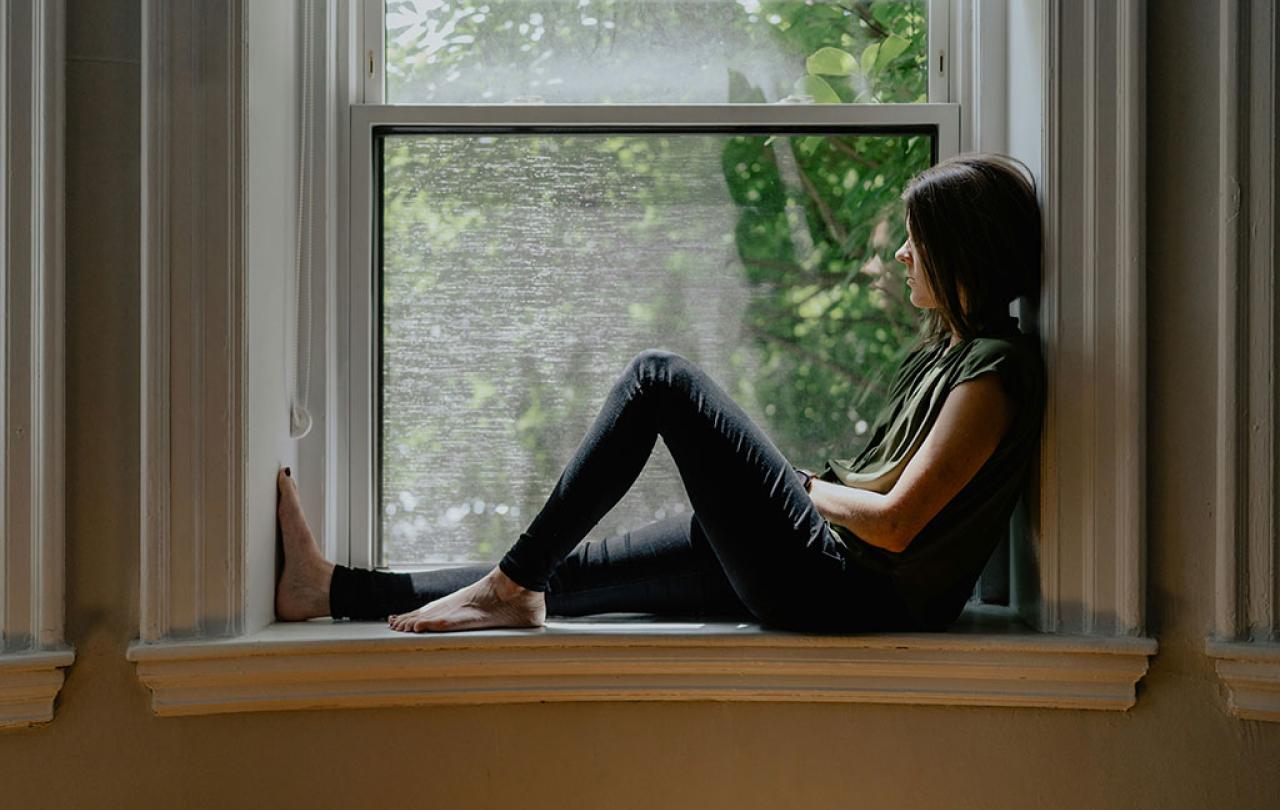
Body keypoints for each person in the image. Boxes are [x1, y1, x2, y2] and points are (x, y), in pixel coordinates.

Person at [275, 152, 1046, 635]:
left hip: (843, 590)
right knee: (558, 575)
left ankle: (505, 586)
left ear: (962, 251)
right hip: (824, 573)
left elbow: (898, 524)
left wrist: (796, 485)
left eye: (921, 239)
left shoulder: (991, 376)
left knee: (661, 378)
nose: (905, 253)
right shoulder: (948, 354)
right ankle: (330, 590)